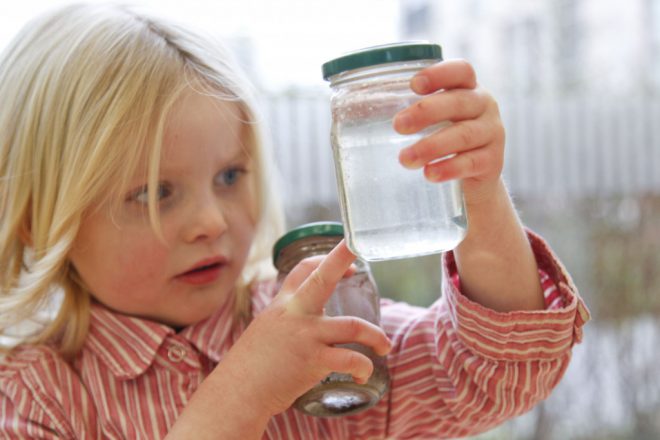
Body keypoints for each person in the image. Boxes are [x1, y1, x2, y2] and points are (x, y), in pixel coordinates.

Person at [0, 3, 590, 439]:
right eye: (155, 194)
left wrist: (478, 194)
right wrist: (244, 391)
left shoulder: (322, 329)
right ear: (39, 221)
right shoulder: (34, 395)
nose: (210, 220)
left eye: (230, 176)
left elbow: (502, 372)